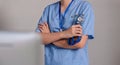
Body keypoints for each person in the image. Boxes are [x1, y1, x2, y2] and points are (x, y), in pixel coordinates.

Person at [35, 0, 94, 65]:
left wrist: (50, 37)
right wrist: (64, 34)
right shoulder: (49, 10)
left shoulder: (84, 7)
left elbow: (79, 43)